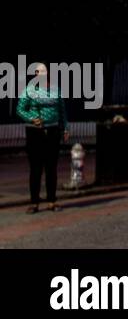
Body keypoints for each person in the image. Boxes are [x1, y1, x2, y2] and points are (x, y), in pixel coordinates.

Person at [17, 63, 68, 213]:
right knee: (36, 168)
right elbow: (20, 109)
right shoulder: (29, 90)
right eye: (38, 72)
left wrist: (65, 128)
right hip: (35, 133)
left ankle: (52, 201)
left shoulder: (55, 90)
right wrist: (32, 118)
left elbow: (62, 111)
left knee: (51, 168)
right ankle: (34, 203)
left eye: (44, 72)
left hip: (53, 132)